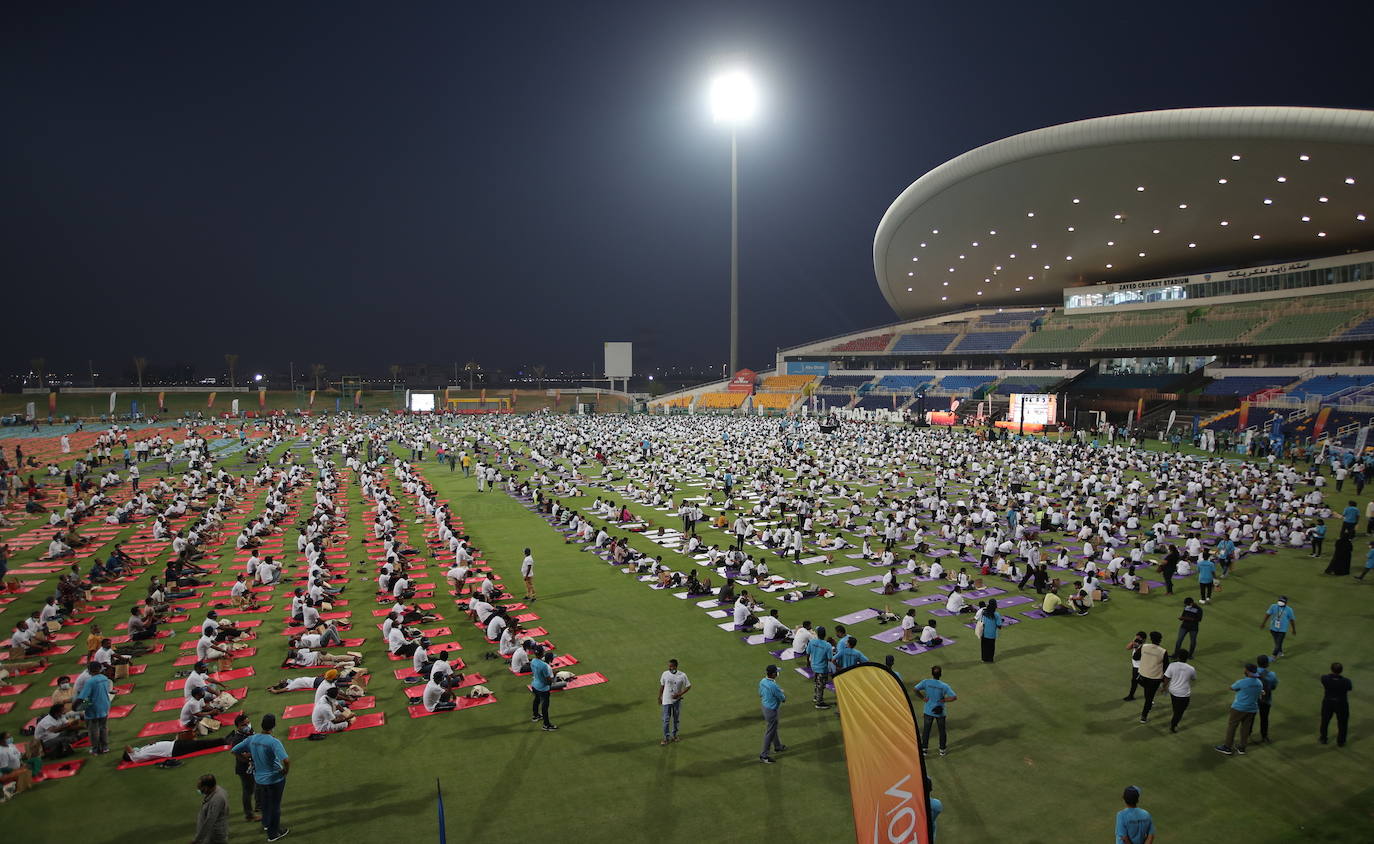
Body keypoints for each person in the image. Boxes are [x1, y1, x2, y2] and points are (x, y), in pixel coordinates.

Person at [231, 713, 290, 841]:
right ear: (273, 726)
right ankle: (273, 834)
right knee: (275, 806)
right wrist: (285, 771)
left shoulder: (252, 738)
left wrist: (245, 760)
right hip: (274, 779)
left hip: (259, 779)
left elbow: (234, 750)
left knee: (265, 803)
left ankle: (266, 824)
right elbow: (286, 760)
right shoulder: (274, 742)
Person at [1215, 663, 1264, 756]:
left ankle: (1227, 747)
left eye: (1245, 669)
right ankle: (1242, 748)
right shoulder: (1259, 683)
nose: (1244, 670)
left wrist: (1240, 690)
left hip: (1239, 708)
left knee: (1232, 726)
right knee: (1245, 728)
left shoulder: (1242, 682)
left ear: (1248, 671)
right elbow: (1259, 693)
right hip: (1252, 709)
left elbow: (1231, 688)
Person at [224, 713, 261, 822]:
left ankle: (259, 805)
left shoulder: (250, 731)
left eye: (248, 723)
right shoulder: (237, 739)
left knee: (258, 785)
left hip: (252, 765)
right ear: (238, 727)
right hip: (245, 768)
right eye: (243, 725)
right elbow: (238, 753)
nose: (247, 725)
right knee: (248, 790)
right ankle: (249, 815)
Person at [914, 665, 957, 757]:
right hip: (940, 712)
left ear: (932, 674)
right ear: (940, 674)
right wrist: (944, 700)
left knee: (926, 731)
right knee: (942, 731)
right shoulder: (944, 686)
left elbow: (915, 689)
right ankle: (942, 750)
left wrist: (923, 698)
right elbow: (954, 697)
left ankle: (924, 750)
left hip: (928, 711)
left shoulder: (926, 682)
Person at [75, 662, 114, 754]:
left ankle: (95, 749)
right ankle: (105, 747)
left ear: (89, 670)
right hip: (105, 705)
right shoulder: (104, 678)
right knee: (103, 727)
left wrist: (75, 705)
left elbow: (83, 697)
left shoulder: (90, 681)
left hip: (93, 707)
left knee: (93, 729)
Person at [1137, 631, 1168, 725]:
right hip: (1154, 679)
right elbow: (1166, 667)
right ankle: (1144, 716)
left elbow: (1136, 657)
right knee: (1149, 698)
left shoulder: (1144, 646)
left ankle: (1149, 703)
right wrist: (1164, 681)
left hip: (1142, 677)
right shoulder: (1163, 651)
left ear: (1151, 639)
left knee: (1148, 693)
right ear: (1160, 640)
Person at [758, 664, 787, 764]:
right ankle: (764, 755)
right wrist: (782, 693)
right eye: (777, 672)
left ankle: (778, 746)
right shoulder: (773, 685)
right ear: (774, 674)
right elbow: (782, 698)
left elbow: (760, 693)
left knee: (773, 728)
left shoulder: (762, 681)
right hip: (771, 710)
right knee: (769, 732)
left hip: (764, 707)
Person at [658, 658, 691, 745]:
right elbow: (662, 686)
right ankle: (666, 738)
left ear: (675, 666)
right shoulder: (665, 674)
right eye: (669, 666)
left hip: (677, 701)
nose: (669, 668)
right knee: (666, 720)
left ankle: (674, 735)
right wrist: (659, 697)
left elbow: (688, 686)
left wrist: (679, 694)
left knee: (676, 719)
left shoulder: (682, 675)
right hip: (666, 700)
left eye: (671, 666)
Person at [1163, 648, 1196, 733]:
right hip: (1184, 694)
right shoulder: (1191, 668)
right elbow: (1193, 678)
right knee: (1180, 712)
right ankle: (1173, 726)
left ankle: (1175, 720)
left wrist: (1164, 687)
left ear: (1178, 657)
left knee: (1176, 708)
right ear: (1187, 657)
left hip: (1173, 691)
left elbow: (1166, 678)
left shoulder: (1172, 665)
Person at [1319, 662, 1352, 747]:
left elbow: (1323, 678)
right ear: (1341, 670)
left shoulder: (1325, 678)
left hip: (1328, 703)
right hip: (1341, 704)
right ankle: (1341, 742)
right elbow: (1349, 688)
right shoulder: (1346, 681)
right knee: (1342, 723)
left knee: (1325, 721)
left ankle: (1323, 738)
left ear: (1331, 669)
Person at [193, 773, 230, 844]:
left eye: (200, 788)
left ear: (206, 787)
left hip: (214, 836)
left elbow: (209, 821)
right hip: (211, 834)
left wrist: (197, 840)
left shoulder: (217, 799)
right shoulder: (217, 790)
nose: (199, 790)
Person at [806, 625, 835, 708]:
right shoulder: (827, 645)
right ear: (825, 634)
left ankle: (816, 697)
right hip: (822, 668)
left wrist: (808, 662)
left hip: (813, 666)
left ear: (817, 634)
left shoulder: (812, 642)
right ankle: (819, 702)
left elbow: (808, 653)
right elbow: (830, 659)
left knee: (817, 682)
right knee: (821, 685)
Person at [529, 646, 557, 731]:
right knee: (545, 706)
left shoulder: (533, 661)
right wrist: (554, 675)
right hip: (543, 689)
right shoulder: (544, 666)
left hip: (534, 685)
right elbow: (549, 681)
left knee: (536, 700)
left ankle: (535, 715)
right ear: (542, 653)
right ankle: (546, 725)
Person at [1254, 654, 1278, 744]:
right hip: (1265, 699)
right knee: (1264, 718)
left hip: (1253, 698)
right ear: (1267, 664)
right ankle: (1264, 736)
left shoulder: (1252, 672)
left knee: (1250, 717)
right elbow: (1274, 686)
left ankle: (1247, 734)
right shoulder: (1271, 675)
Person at [978, 599, 1003, 663]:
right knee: (991, 647)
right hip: (992, 634)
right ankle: (990, 659)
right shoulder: (996, 614)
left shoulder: (984, 612)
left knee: (984, 647)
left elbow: (982, 622)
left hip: (984, 633)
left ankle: (984, 659)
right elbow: (999, 626)